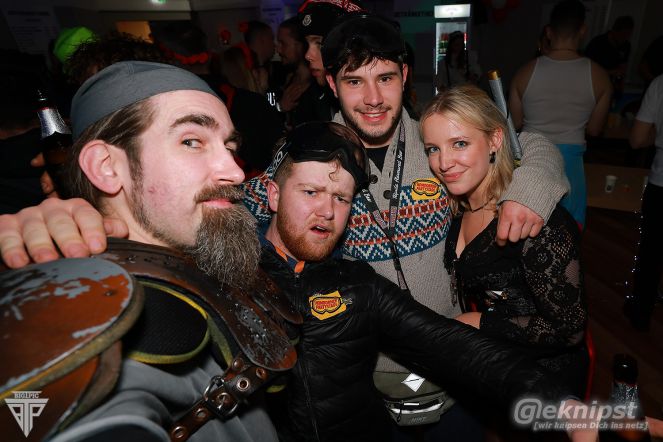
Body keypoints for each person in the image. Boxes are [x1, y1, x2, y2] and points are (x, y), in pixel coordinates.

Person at [0, 121, 601, 442]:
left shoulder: (358, 285)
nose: (326, 211)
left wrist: (563, 406)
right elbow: (141, 235)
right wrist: (67, 225)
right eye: (311, 191)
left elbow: (457, 348)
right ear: (270, 192)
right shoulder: (220, 264)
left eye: (341, 199)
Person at [244, 12, 569, 441]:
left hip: (456, 362)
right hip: (364, 384)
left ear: (405, 76)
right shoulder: (309, 153)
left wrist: (529, 187)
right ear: (332, 84)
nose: (373, 98)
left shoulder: (434, 141)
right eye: (354, 81)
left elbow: (529, 142)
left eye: (385, 78)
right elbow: (236, 201)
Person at [0, 61, 297, 441]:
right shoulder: (82, 316)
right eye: (192, 141)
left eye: (229, 146)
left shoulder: (204, 259)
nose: (235, 171)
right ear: (106, 167)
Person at [422, 84, 588, 396]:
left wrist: (479, 322)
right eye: (433, 148)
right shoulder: (457, 208)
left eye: (459, 144)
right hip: (491, 365)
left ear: (495, 140)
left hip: (543, 381)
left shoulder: (533, 218)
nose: (443, 163)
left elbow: (569, 329)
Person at [509, 0, 612, 229]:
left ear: (549, 32)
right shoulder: (600, 76)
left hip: (531, 158)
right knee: (569, 231)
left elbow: (515, 123)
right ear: (582, 30)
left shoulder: (524, 73)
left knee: (524, 226)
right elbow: (595, 129)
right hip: (570, 164)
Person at [624, 73, 663, 332]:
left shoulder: (660, 83)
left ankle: (640, 312)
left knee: (651, 252)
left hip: (661, 183)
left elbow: (637, 139)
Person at [274, 16, 325, 129]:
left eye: (283, 44)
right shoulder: (284, 78)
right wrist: (280, 108)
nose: (278, 50)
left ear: (300, 46)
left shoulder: (321, 84)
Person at [584, 15, 634, 98]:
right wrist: (611, 72)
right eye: (623, 35)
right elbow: (587, 69)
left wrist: (621, 86)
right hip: (594, 85)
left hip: (612, 87)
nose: (625, 38)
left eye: (628, 35)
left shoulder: (626, 45)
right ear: (615, 31)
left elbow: (623, 66)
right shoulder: (597, 43)